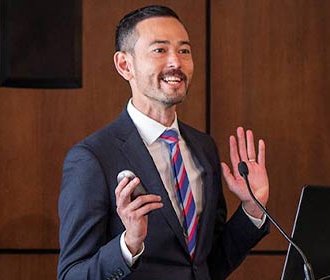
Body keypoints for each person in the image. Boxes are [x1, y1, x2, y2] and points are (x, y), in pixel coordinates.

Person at [58, 5, 270, 280]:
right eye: (160, 50)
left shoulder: (203, 148)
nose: (176, 63)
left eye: (184, 51)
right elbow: (71, 275)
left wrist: (253, 208)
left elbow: (207, 265)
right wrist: (129, 245)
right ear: (125, 65)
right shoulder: (92, 158)